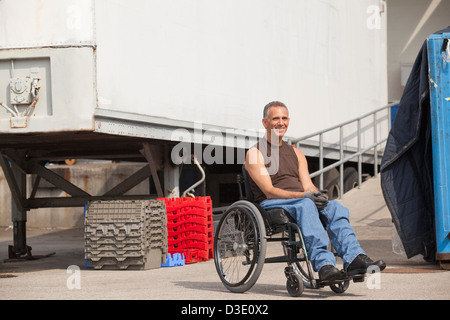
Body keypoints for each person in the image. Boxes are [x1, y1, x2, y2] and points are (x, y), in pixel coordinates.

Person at [245, 101, 386, 282]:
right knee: (306, 204)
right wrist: (305, 196)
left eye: (284, 118)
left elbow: (307, 185)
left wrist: (316, 194)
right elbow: (269, 191)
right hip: (272, 202)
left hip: (300, 200)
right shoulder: (255, 153)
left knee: (334, 206)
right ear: (265, 122)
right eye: (275, 119)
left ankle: (354, 258)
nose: (281, 123)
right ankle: (324, 265)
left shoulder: (296, 153)